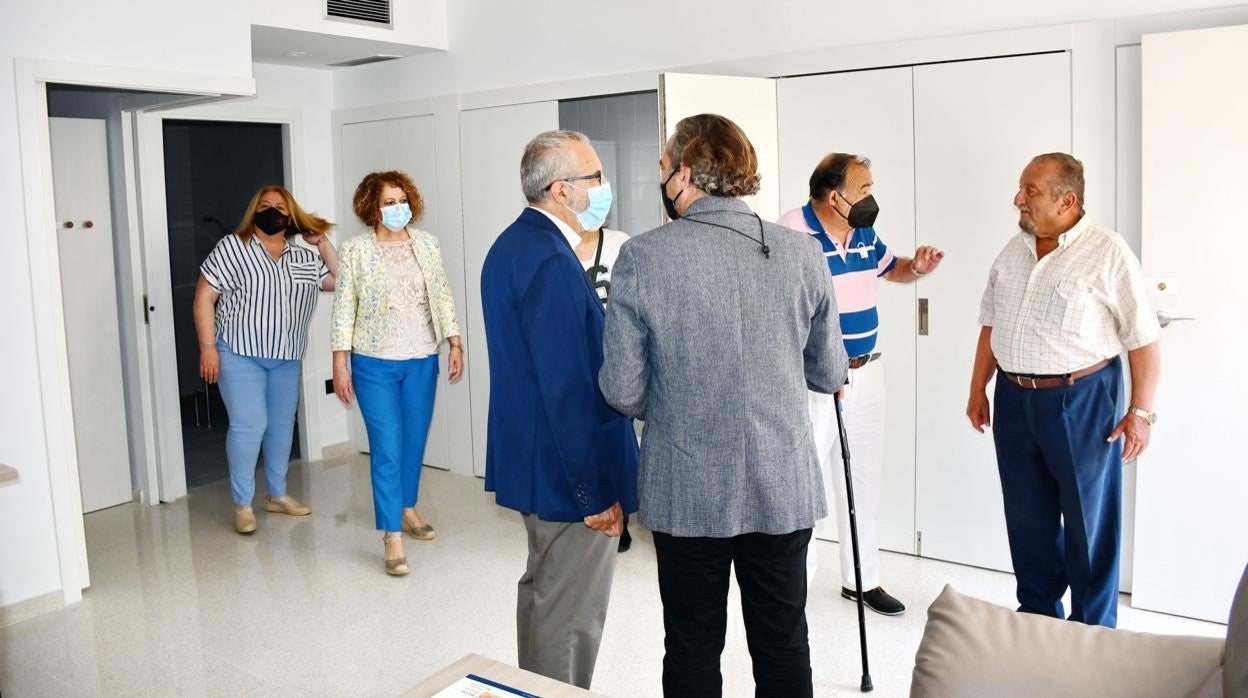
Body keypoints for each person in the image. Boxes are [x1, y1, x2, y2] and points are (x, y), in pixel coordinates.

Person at [600, 113, 848, 697]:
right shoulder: (802, 252)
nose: (660, 180)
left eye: (662, 169)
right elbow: (828, 371)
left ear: (685, 174)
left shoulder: (643, 257)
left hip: (686, 485)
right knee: (783, 640)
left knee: (690, 642)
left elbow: (623, 391)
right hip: (781, 483)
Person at [967, 153, 1161, 628]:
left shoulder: (1107, 251)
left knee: (1088, 521)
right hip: (1015, 400)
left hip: (1082, 400)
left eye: (1030, 191)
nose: (1018, 199)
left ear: (1067, 200)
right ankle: (1038, 616)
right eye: (1021, 188)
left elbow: (1144, 340)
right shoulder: (1014, 249)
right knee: (1027, 516)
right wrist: (978, 389)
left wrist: (1141, 412)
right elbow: (991, 325)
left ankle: (1093, 630)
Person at [480, 130, 639, 689]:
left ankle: (536, 688)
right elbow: (569, 389)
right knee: (570, 613)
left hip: (538, 458)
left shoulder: (515, 245)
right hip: (566, 471)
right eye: (593, 176)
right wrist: (593, 493)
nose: (603, 186)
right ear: (559, 190)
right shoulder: (549, 260)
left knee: (545, 592)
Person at [777, 153, 944, 616]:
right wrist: (817, 365)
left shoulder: (864, 231)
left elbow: (893, 269)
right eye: (864, 188)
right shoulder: (792, 230)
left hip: (867, 371)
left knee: (862, 480)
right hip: (813, 380)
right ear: (836, 196)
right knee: (804, 487)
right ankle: (794, 590)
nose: (871, 197)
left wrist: (920, 266)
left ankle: (862, 580)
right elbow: (780, 305)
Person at [330, 171, 463, 576]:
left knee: (413, 441)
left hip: (423, 356)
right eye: (388, 201)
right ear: (371, 207)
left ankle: (407, 507)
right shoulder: (355, 251)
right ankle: (391, 534)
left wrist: (454, 342)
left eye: (402, 199)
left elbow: (440, 292)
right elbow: (343, 306)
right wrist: (340, 361)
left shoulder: (426, 243)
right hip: (373, 361)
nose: (397, 207)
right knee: (387, 447)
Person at [194, 185, 338, 535]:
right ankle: (243, 504)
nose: (273, 211)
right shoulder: (233, 247)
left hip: (287, 354)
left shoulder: (303, 257)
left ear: (291, 215)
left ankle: (277, 495)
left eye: (280, 206)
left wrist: (320, 243)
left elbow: (342, 280)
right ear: (253, 211)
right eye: (266, 205)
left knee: (280, 426)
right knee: (249, 425)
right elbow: (203, 297)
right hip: (239, 351)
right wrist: (207, 346)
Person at [573, 224, 635, 553]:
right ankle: (589, 507)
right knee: (581, 434)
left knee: (616, 437)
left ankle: (621, 513)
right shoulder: (558, 244)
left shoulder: (619, 243)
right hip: (574, 353)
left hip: (615, 353)